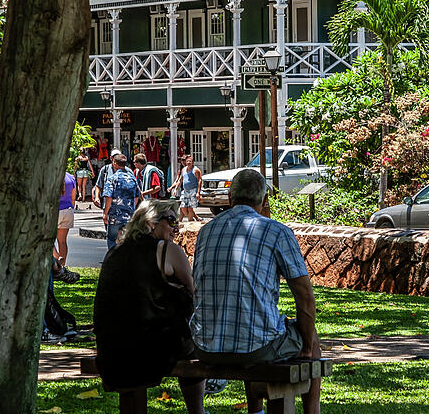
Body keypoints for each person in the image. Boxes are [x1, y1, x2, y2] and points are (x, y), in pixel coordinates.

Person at [190, 169, 321, 414]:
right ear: (263, 200)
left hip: (205, 346)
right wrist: (305, 345)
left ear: (230, 198)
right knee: (309, 337)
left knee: (253, 325)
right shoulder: (277, 231)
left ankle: (256, 411)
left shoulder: (206, 231)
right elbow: (304, 295)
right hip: (255, 347)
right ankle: (313, 412)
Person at [94, 200, 205, 414]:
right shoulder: (166, 250)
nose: (176, 227)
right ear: (151, 222)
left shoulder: (114, 253)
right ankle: (197, 410)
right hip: (153, 346)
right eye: (171, 220)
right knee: (190, 344)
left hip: (112, 347)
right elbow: (194, 293)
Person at [101, 154, 142, 249]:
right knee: (127, 240)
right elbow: (136, 198)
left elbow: (108, 197)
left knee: (112, 239)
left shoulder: (112, 179)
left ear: (115, 163)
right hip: (129, 216)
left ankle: (113, 260)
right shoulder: (133, 179)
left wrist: (105, 213)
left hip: (115, 216)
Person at [54, 170, 76, 274]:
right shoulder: (71, 177)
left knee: (47, 240)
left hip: (55, 211)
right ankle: (62, 266)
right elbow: (73, 197)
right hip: (68, 210)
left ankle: (58, 261)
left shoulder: (53, 175)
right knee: (62, 241)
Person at [170, 154, 202, 222]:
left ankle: (190, 221)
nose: (188, 163)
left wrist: (198, 192)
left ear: (192, 162)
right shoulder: (183, 169)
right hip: (185, 191)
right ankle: (193, 219)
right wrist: (175, 189)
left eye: (190, 161)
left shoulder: (196, 170)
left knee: (190, 208)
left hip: (193, 190)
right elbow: (180, 180)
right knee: (183, 207)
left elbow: (199, 180)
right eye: (187, 161)